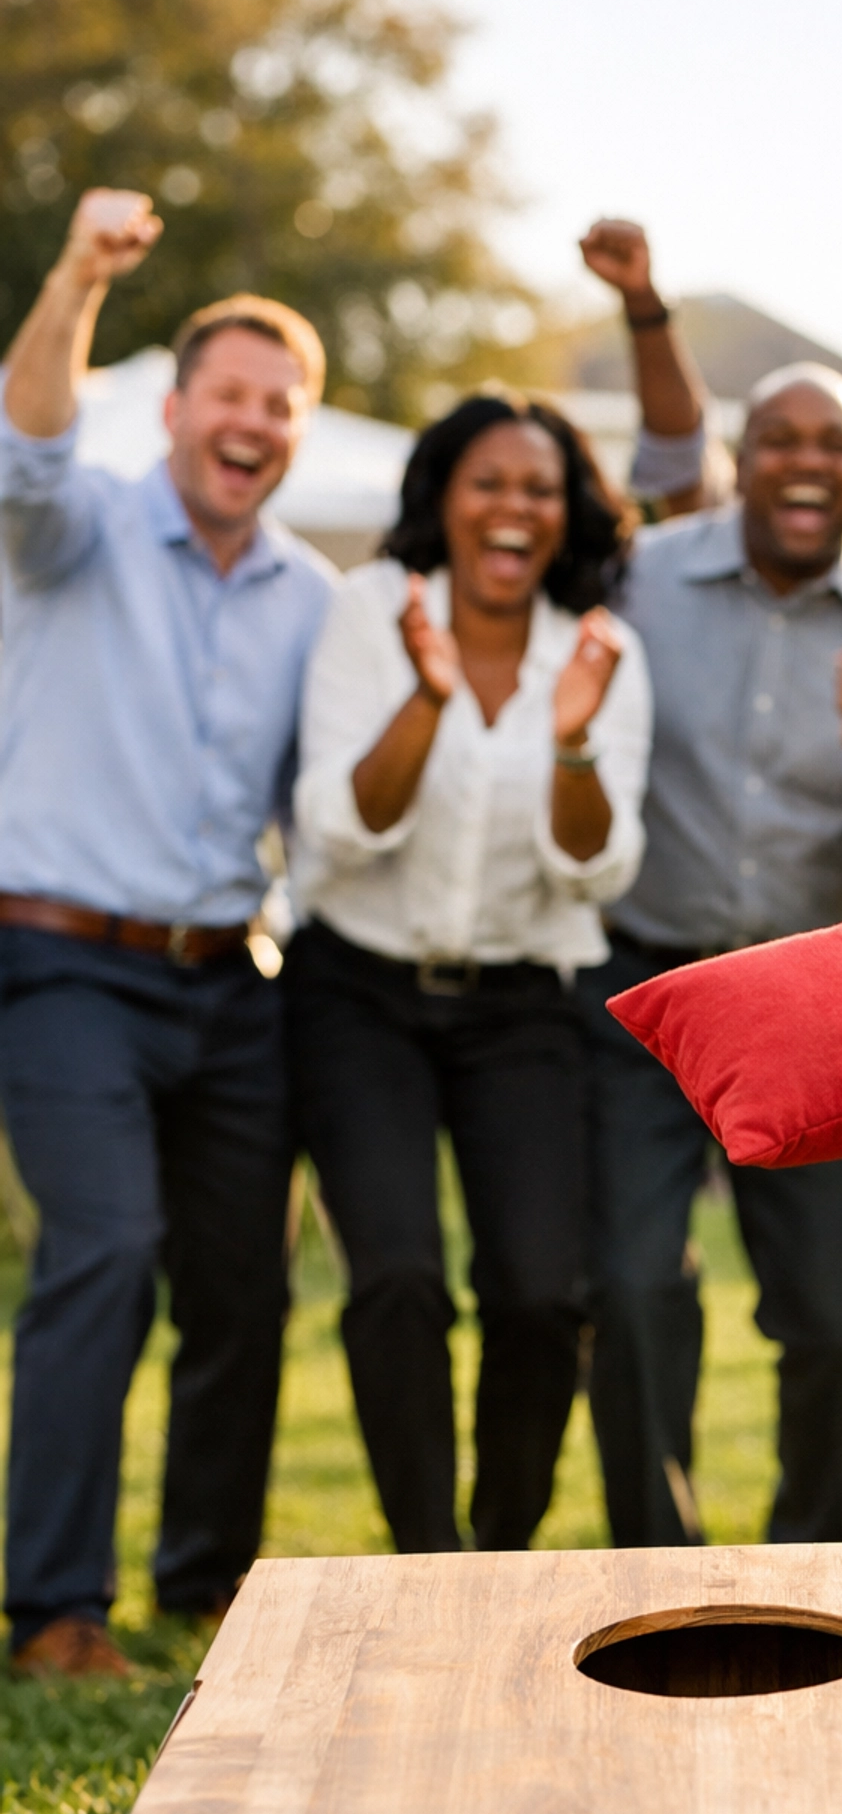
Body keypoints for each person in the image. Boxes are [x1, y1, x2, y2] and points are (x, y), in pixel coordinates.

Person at [573, 218, 842, 1547]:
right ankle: (654, 1559)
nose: (807, 465)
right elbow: (661, 446)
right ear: (750, 465)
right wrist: (646, 310)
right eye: (784, 442)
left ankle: (815, 1554)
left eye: (835, 446)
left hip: (811, 990)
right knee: (630, 1288)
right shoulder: (646, 575)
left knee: (841, 1330)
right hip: (648, 976)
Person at [0, 189, 335, 1675]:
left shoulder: (316, 599)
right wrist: (79, 276)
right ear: (178, 405)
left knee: (242, 1285)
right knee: (107, 1244)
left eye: (282, 403)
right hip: (62, 962)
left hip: (232, 982)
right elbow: (27, 442)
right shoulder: (73, 533)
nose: (252, 422)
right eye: (229, 394)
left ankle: (209, 1584)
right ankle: (57, 1609)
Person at [287, 393, 650, 1555]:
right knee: (397, 1281)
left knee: (543, 1293)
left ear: (566, 513)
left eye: (539, 488)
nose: (513, 508)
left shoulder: (598, 649)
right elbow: (343, 829)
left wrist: (574, 737)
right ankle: (424, 1560)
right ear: (442, 497)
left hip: (521, 1008)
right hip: (360, 995)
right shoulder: (367, 615)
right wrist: (431, 696)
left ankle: (499, 1555)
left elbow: (592, 866)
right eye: (487, 481)